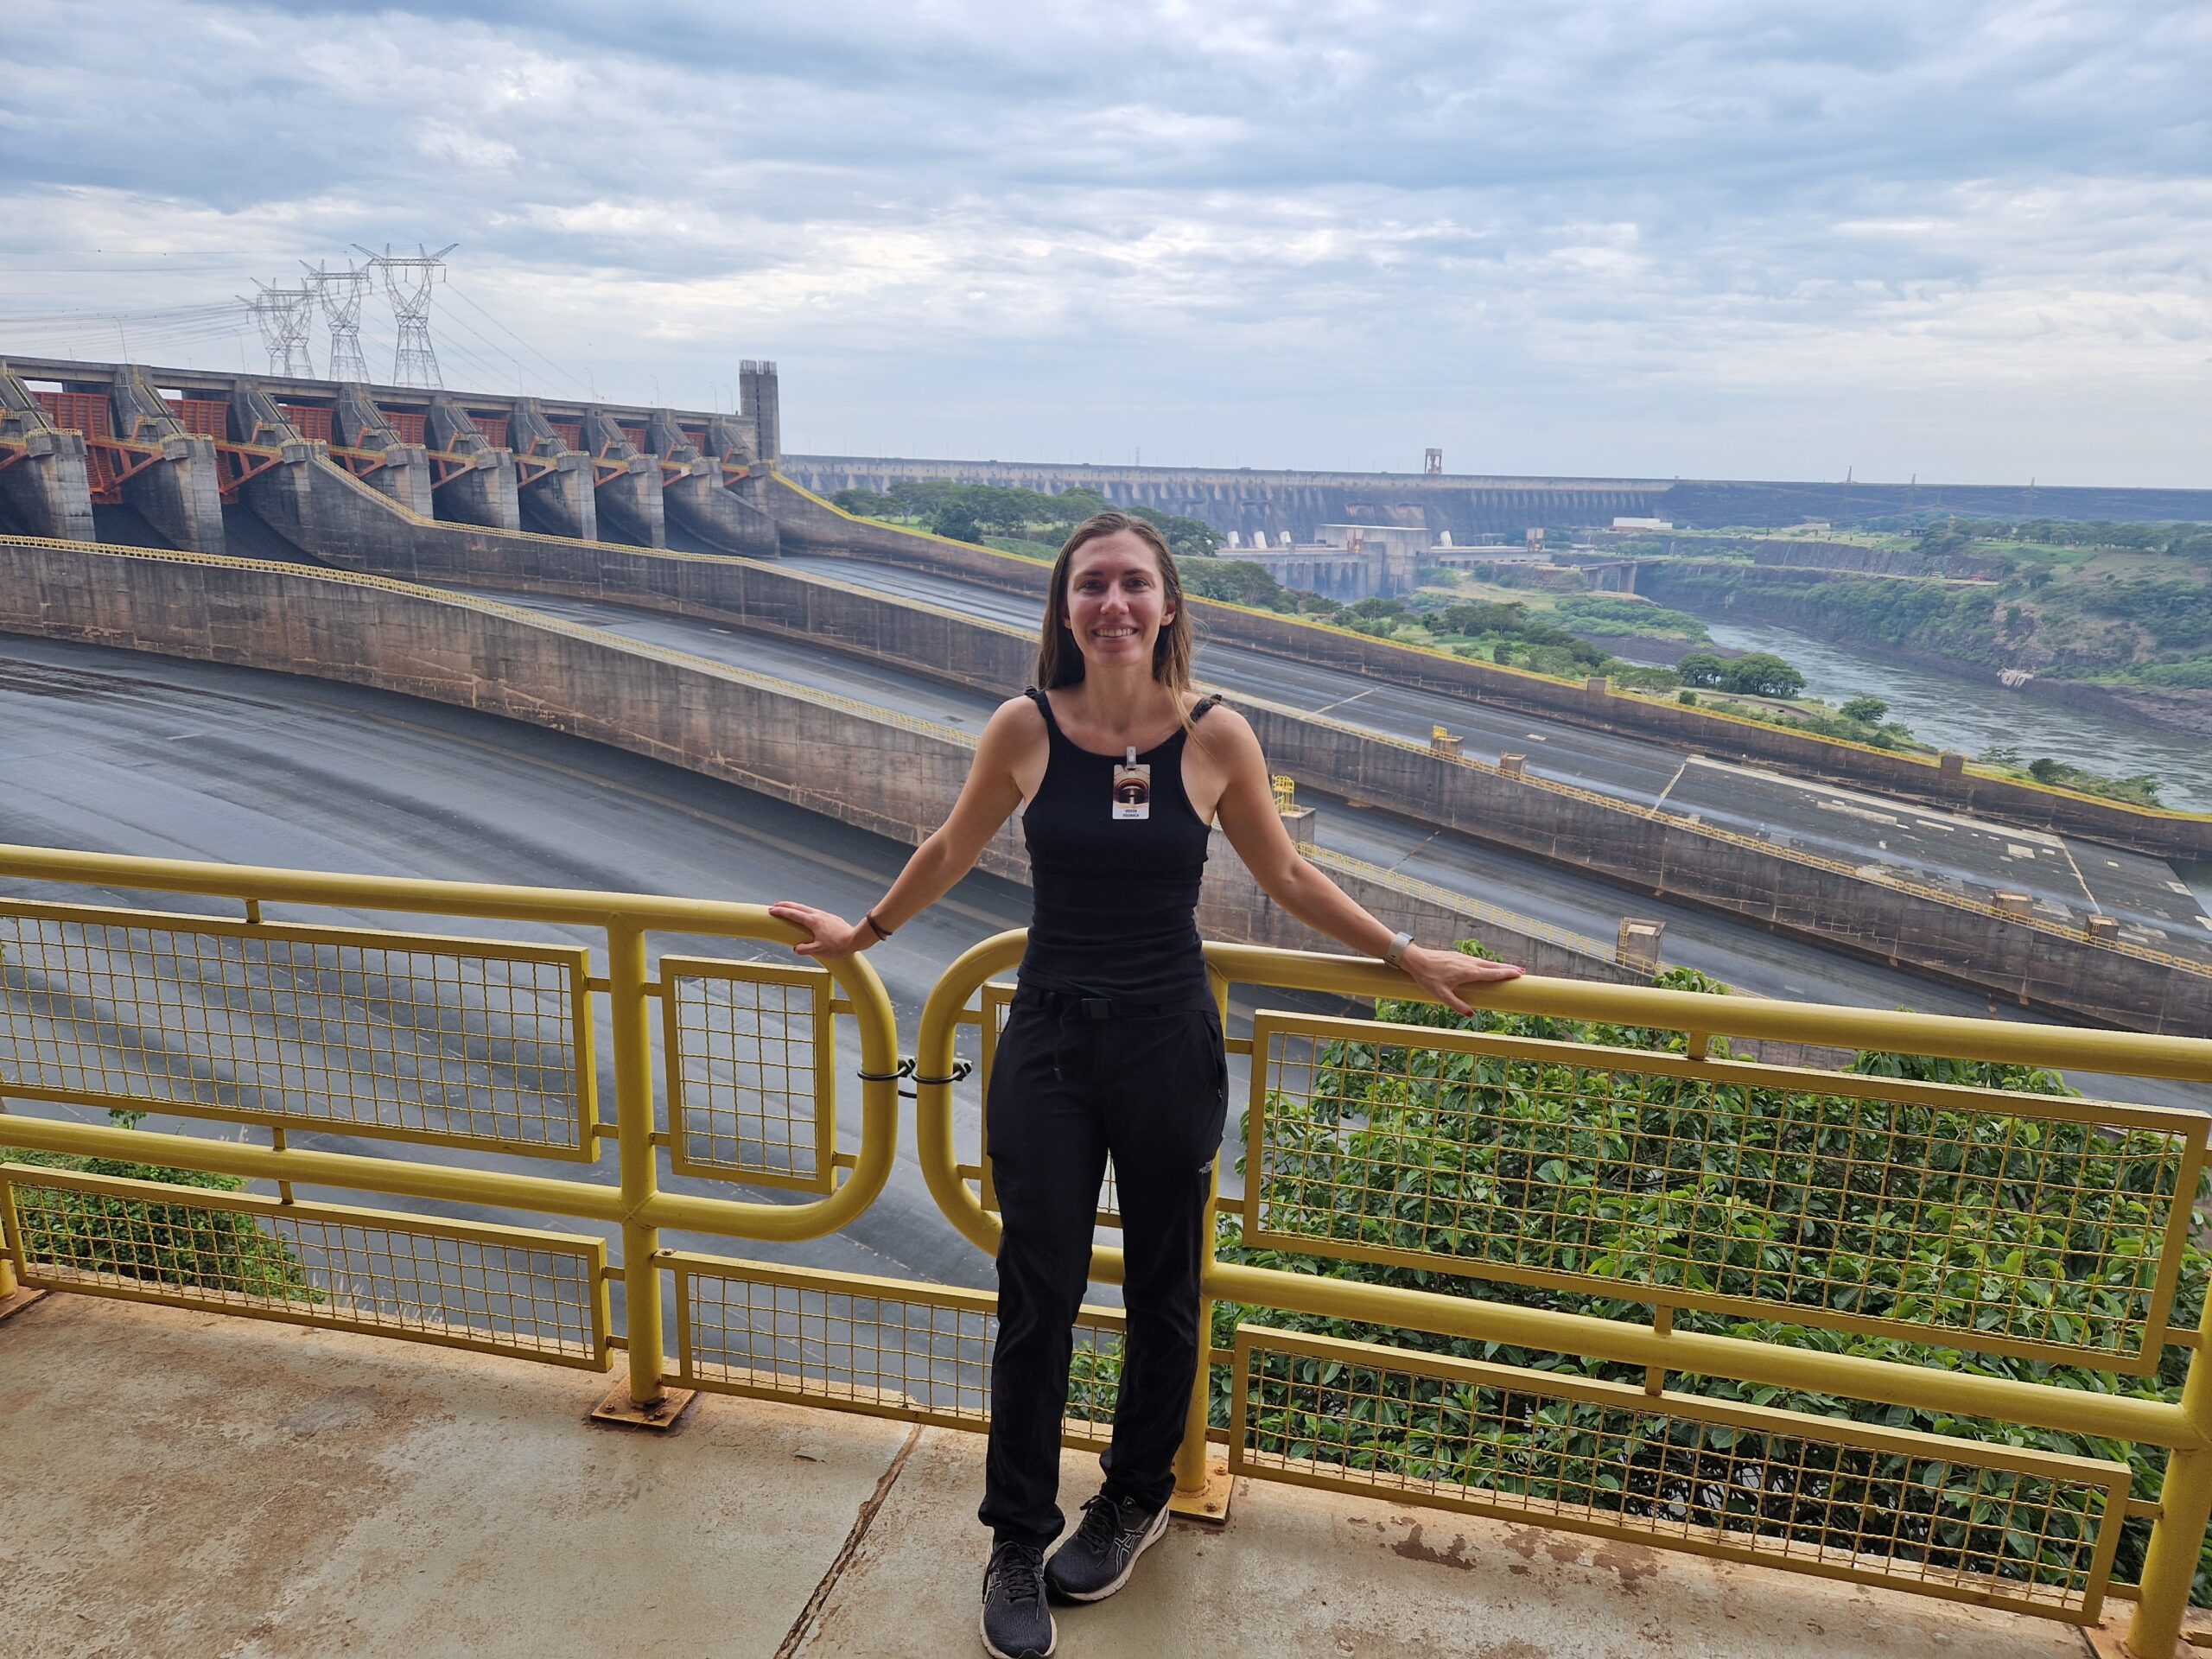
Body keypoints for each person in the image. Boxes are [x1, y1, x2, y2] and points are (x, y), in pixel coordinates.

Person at [769, 511, 1523, 1659]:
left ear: (1169, 604)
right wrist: (862, 930)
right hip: (1052, 1041)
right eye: (1092, 587)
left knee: (1165, 1287)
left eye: (1133, 585)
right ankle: (1016, 1537)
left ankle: (1131, 1500)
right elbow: (949, 848)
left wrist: (1404, 955)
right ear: (1064, 609)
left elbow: (1287, 872)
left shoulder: (1217, 737)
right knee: (1040, 1294)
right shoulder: (1025, 727)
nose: (1113, 604)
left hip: (1169, 1037)